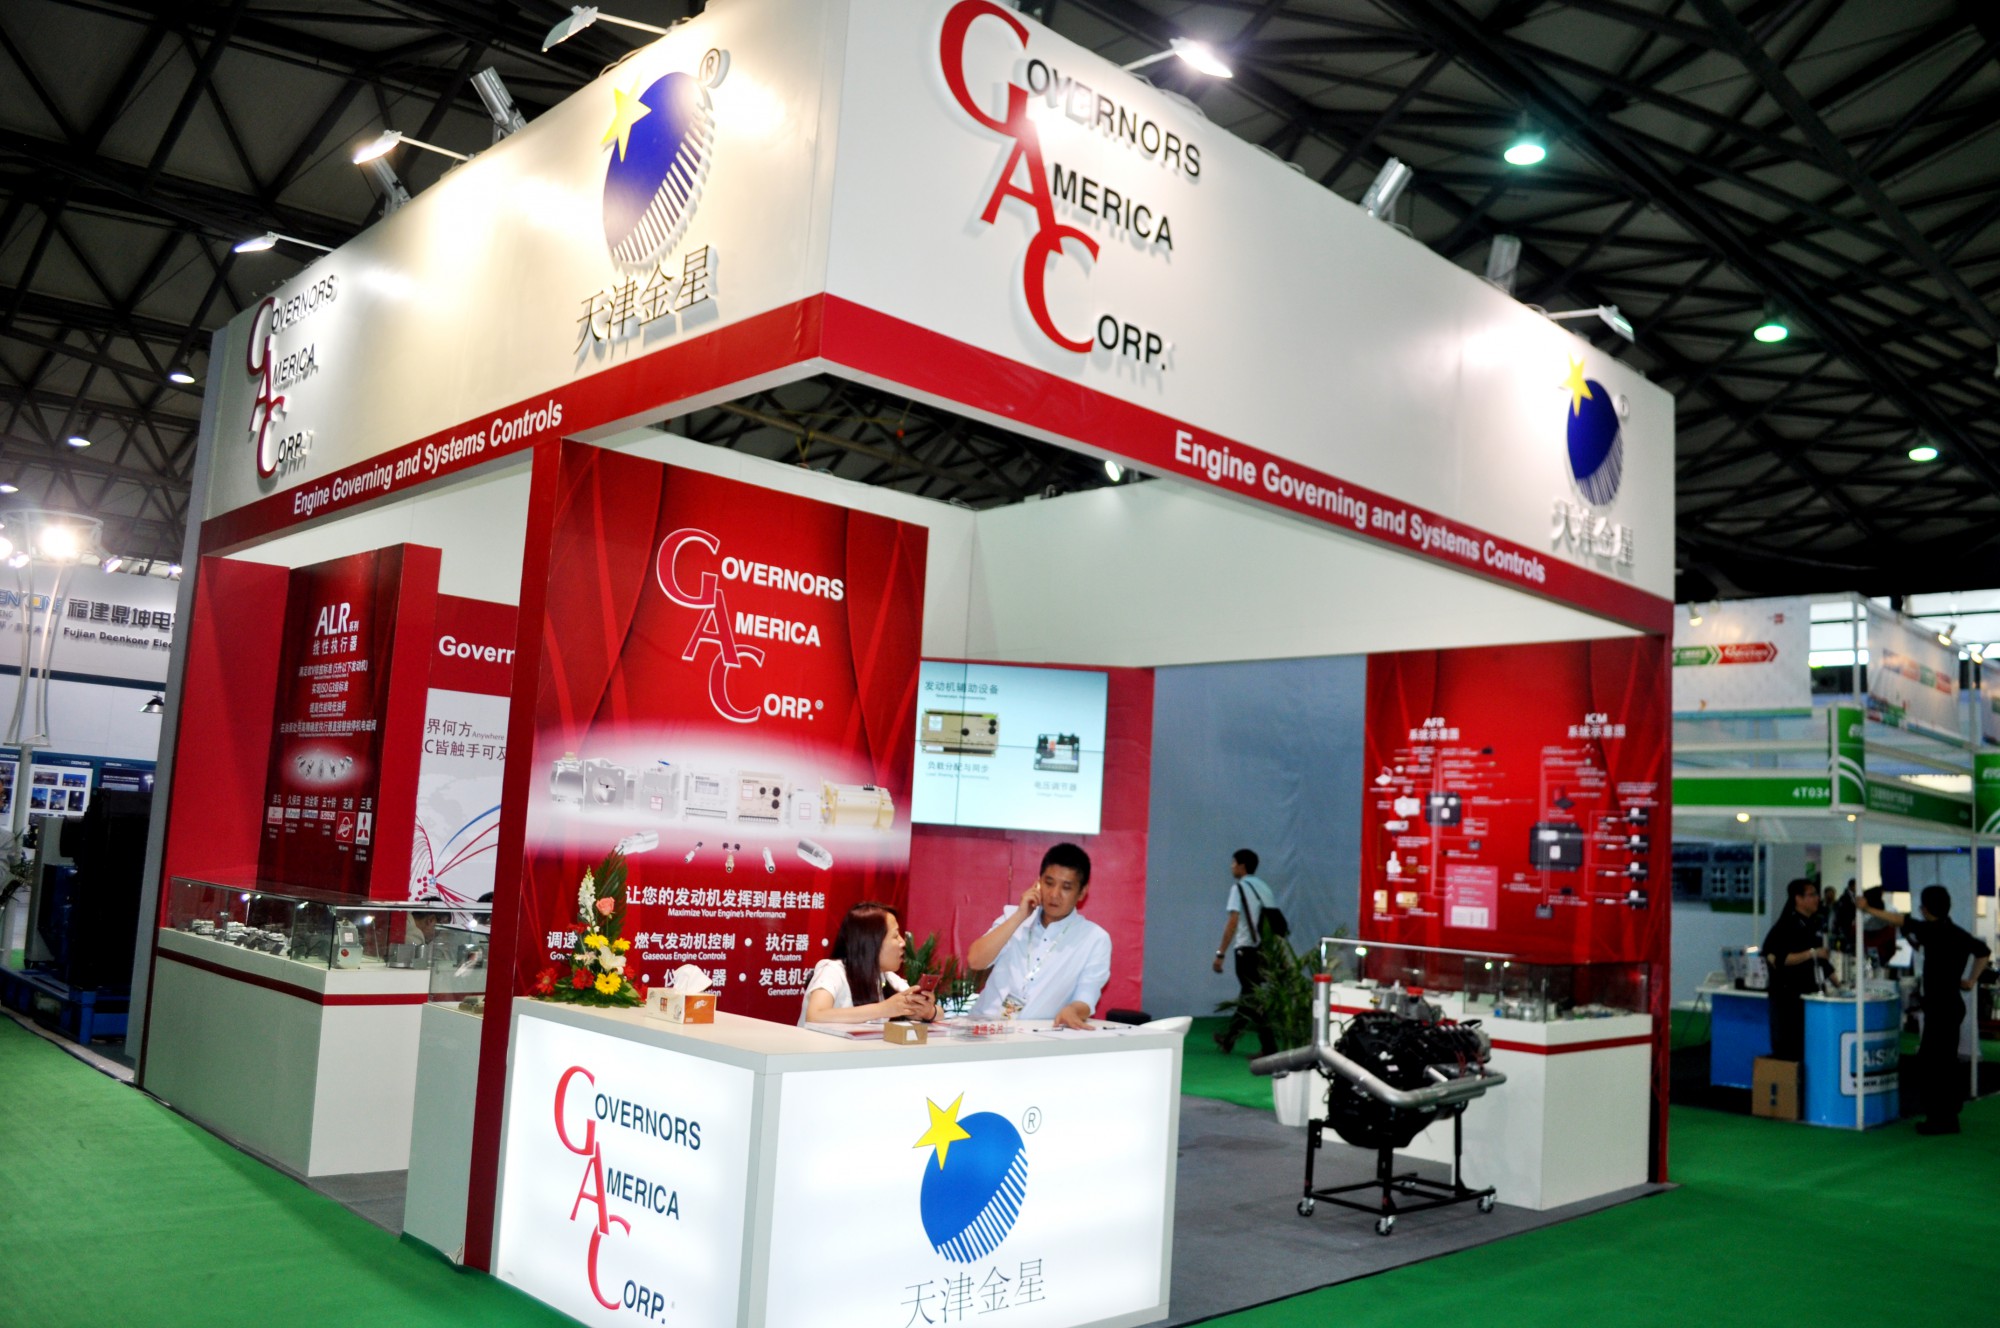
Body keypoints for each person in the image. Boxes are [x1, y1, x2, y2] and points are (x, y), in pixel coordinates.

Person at [1856, 885, 1991, 1135]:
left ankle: (1940, 1118)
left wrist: (1867, 908)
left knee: (1933, 1064)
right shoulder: (1955, 933)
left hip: (1940, 1008)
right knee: (1945, 1062)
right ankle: (1948, 1114)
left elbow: (1898, 920)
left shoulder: (1931, 930)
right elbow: (1983, 952)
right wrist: (1971, 980)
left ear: (1925, 909)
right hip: (1952, 1004)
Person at [967, 843, 1111, 1030]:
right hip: (983, 1028)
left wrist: (1073, 1010)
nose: (1054, 894)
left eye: (1066, 887)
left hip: (1036, 1036)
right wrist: (1020, 916)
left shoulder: (1094, 939)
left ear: (1082, 892)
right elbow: (975, 961)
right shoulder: (1013, 917)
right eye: (1049, 883)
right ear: (1038, 882)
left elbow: (1086, 996)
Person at [799, 901, 937, 1026]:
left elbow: (939, 1012)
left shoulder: (887, 976)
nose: (903, 943)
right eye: (895, 936)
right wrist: (883, 1009)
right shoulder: (833, 971)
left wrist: (928, 1012)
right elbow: (815, 1015)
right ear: (871, 943)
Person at [1211, 849, 1278, 1055]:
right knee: (1249, 996)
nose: (1231, 867)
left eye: (1233, 863)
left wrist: (1220, 953)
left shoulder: (1239, 888)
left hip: (1245, 950)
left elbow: (1233, 922)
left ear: (1242, 866)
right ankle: (1229, 1039)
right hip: (1263, 951)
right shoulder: (1265, 888)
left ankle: (1269, 1047)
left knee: (1253, 999)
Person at [1760, 877, 1828, 1065]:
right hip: (1787, 998)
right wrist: (1812, 953)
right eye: (1811, 895)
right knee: (1789, 1048)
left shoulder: (1812, 924)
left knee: (1805, 1046)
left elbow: (1822, 961)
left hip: (1806, 994)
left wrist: (1837, 983)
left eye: (1816, 894)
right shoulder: (1786, 925)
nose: (1817, 899)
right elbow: (1779, 959)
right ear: (1798, 899)